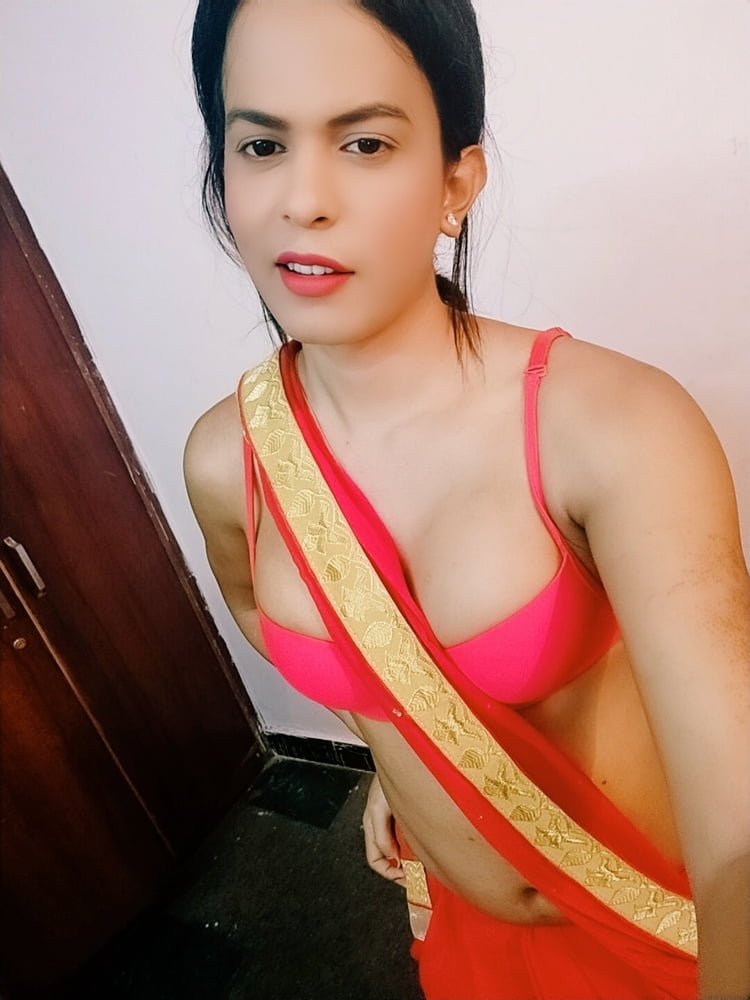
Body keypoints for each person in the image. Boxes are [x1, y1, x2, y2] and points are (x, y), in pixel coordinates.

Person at [182, 1, 750, 997]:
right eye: (262, 144)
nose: (302, 200)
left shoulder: (613, 427)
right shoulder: (228, 460)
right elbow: (265, 617)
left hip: (657, 928)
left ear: (457, 181)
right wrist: (409, 747)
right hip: (461, 930)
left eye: (364, 142)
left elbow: (737, 818)